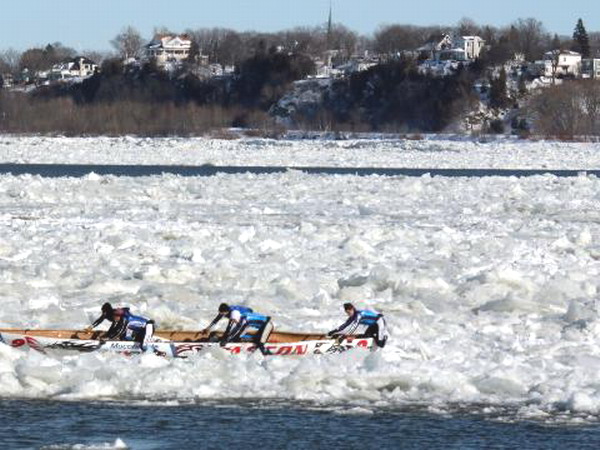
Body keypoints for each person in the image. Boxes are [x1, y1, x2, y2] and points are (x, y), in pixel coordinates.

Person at [204, 303, 273, 355]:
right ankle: (250, 340)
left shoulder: (240, 318)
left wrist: (227, 340)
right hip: (253, 321)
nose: (233, 322)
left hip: (268, 324)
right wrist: (208, 329)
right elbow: (229, 327)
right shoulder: (236, 316)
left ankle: (268, 354)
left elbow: (234, 328)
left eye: (234, 320)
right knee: (237, 334)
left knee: (260, 343)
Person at [90, 302, 155, 351]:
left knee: (144, 346)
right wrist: (107, 336)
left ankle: (154, 350)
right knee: (126, 338)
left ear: (118, 316)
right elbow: (115, 329)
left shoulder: (125, 320)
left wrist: (108, 339)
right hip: (140, 329)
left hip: (148, 326)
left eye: (114, 317)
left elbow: (120, 331)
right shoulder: (120, 319)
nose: (113, 319)